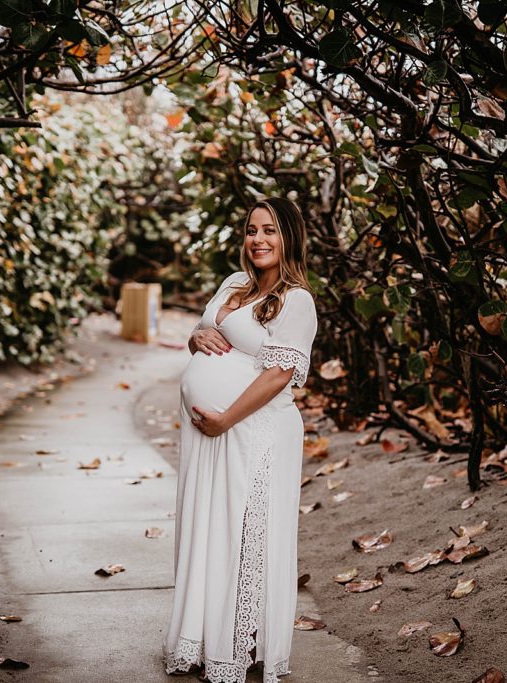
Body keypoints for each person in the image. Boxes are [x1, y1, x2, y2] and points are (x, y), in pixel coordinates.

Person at [163, 197, 319, 683]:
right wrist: (195, 339)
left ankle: (237, 648)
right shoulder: (235, 284)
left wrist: (226, 417)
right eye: (251, 230)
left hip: (254, 432)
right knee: (206, 529)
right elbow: (206, 330)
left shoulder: (298, 300)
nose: (258, 240)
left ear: (289, 237)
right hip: (209, 435)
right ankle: (202, 638)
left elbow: (280, 375)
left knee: (245, 534)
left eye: (270, 231)